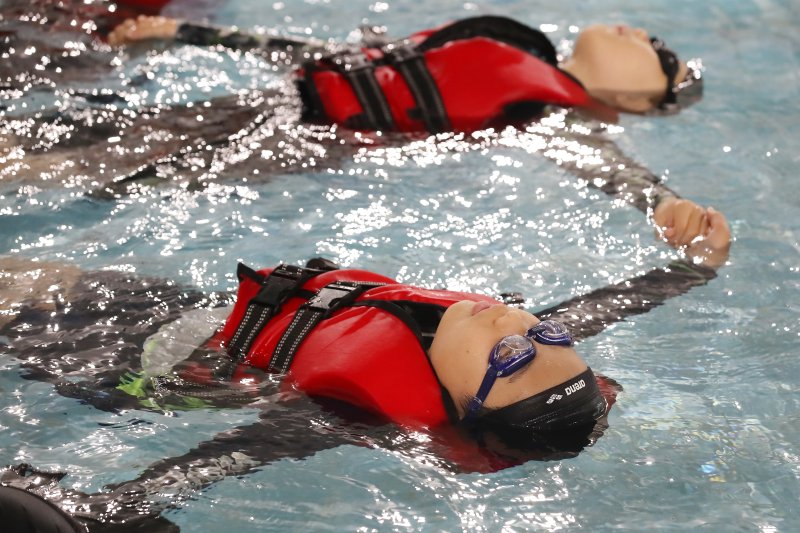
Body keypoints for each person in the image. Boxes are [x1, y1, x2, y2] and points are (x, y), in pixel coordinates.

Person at [107, 14, 703, 133]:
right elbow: (339, 57)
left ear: (638, 101)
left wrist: (663, 204)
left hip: (302, 137)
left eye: (663, 56)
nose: (647, 37)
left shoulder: (548, 116)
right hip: (286, 105)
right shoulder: (519, 48)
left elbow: (613, 173)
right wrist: (186, 32)